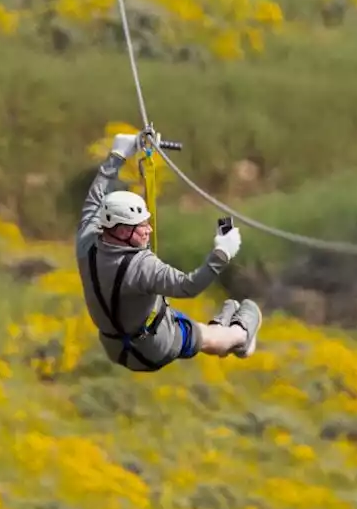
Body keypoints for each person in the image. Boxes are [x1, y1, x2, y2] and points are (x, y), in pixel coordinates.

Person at [75, 132, 262, 372]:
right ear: (121, 231)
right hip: (151, 347)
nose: (149, 229)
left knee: (175, 319)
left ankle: (218, 326)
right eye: (141, 226)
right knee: (206, 336)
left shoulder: (87, 241)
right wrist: (222, 253)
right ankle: (239, 337)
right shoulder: (141, 267)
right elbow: (188, 286)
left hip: (116, 345)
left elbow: (95, 197)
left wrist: (118, 155)